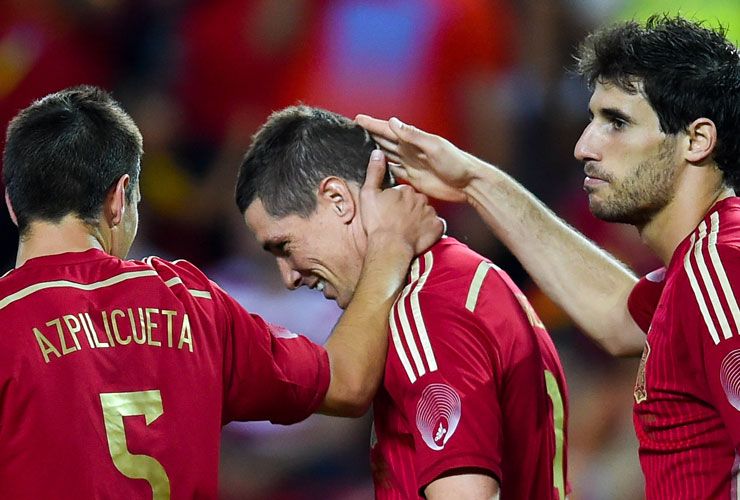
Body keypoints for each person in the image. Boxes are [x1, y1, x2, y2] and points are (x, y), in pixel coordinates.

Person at [357, 14, 740, 499]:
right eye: (591, 119)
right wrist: (476, 181)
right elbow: (621, 318)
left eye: (616, 123)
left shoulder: (720, 266)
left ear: (697, 140)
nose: (584, 146)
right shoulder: (699, 270)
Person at [0, 85, 442, 499]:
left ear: (12, 203)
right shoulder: (189, 301)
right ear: (120, 198)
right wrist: (389, 248)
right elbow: (347, 382)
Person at [235, 105, 569, 500]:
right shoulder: (465, 278)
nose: (288, 276)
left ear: (338, 199)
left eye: (284, 245)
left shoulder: (426, 308)